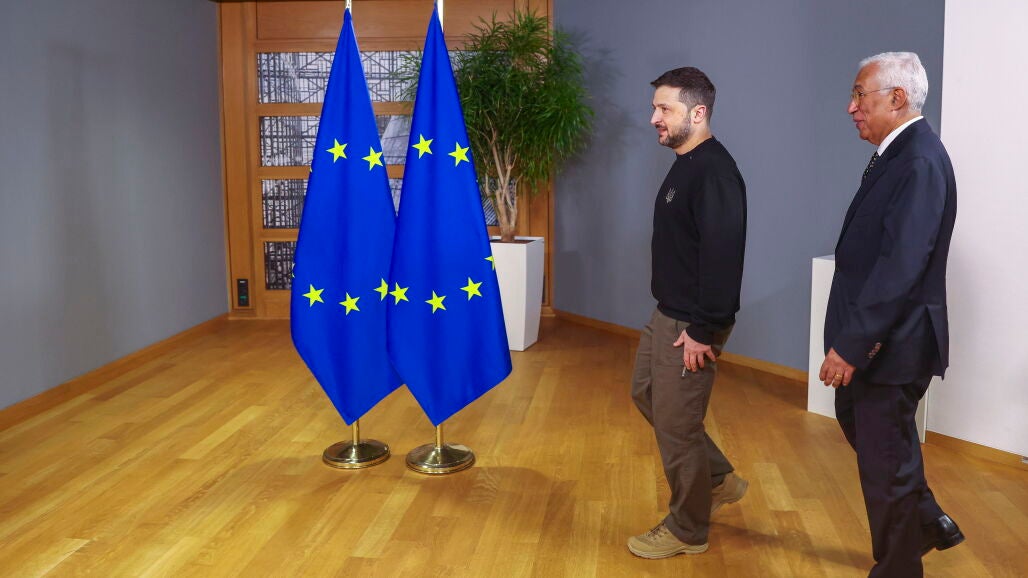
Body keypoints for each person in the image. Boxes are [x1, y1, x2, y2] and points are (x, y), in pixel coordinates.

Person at [820, 51, 962, 577]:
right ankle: (927, 519)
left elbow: (900, 265)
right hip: (884, 338)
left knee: (885, 463)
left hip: (895, 343)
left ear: (897, 98)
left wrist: (853, 345)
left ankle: (900, 566)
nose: (851, 106)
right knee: (867, 430)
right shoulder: (898, 153)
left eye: (860, 95)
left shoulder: (918, 159)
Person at [627, 67, 748, 559]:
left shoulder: (714, 172)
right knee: (646, 393)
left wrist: (702, 329)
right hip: (669, 311)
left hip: (693, 322)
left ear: (698, 113)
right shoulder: (685, 162)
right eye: (654, 107)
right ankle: (716, 479)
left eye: (664, 109)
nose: (654, 118)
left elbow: (723, 256)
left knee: (677, 426)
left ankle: (688, 529)